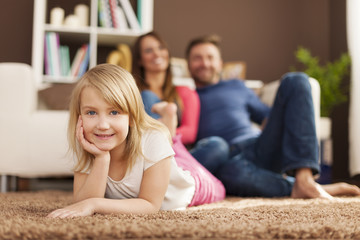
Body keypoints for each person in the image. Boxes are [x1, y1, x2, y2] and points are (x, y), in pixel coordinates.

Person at [185, 34, 360, 199]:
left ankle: (305, 177)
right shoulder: (183, 97)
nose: (204, 63)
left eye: (210, 57)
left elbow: (267, 117)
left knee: (296, 80)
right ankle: (298, 187)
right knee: (230, 174)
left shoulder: (237, 86)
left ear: (220, 63)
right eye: (197, 58)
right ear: (188, 64)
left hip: (259, 147)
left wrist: (273, 124)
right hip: (225, 160)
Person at [47, 64, 225, 218]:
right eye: (91, 113)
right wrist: (101, 159)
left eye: (114, 112)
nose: (102, 125)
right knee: (169, 147)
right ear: (80, 117)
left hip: (191, 184)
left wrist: (96, 204)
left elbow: (150, 204)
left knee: (219, 189)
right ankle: (169, 131)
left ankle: (170, 129)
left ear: (132, 117)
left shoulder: (152, 140)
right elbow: (81, 204)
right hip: (158, 156)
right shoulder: (89, 141)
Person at [132, 31, 229, 168]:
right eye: (149, 50)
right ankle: (161, 171)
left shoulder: (184, 92)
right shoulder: (133, 93)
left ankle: (168, 173)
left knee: (218, 146)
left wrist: (165, 132)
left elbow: (190, 133)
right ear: (139, 60)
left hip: (179, 157)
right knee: (147, 96)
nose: (157, 54)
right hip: (147, 155)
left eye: (161, 48)